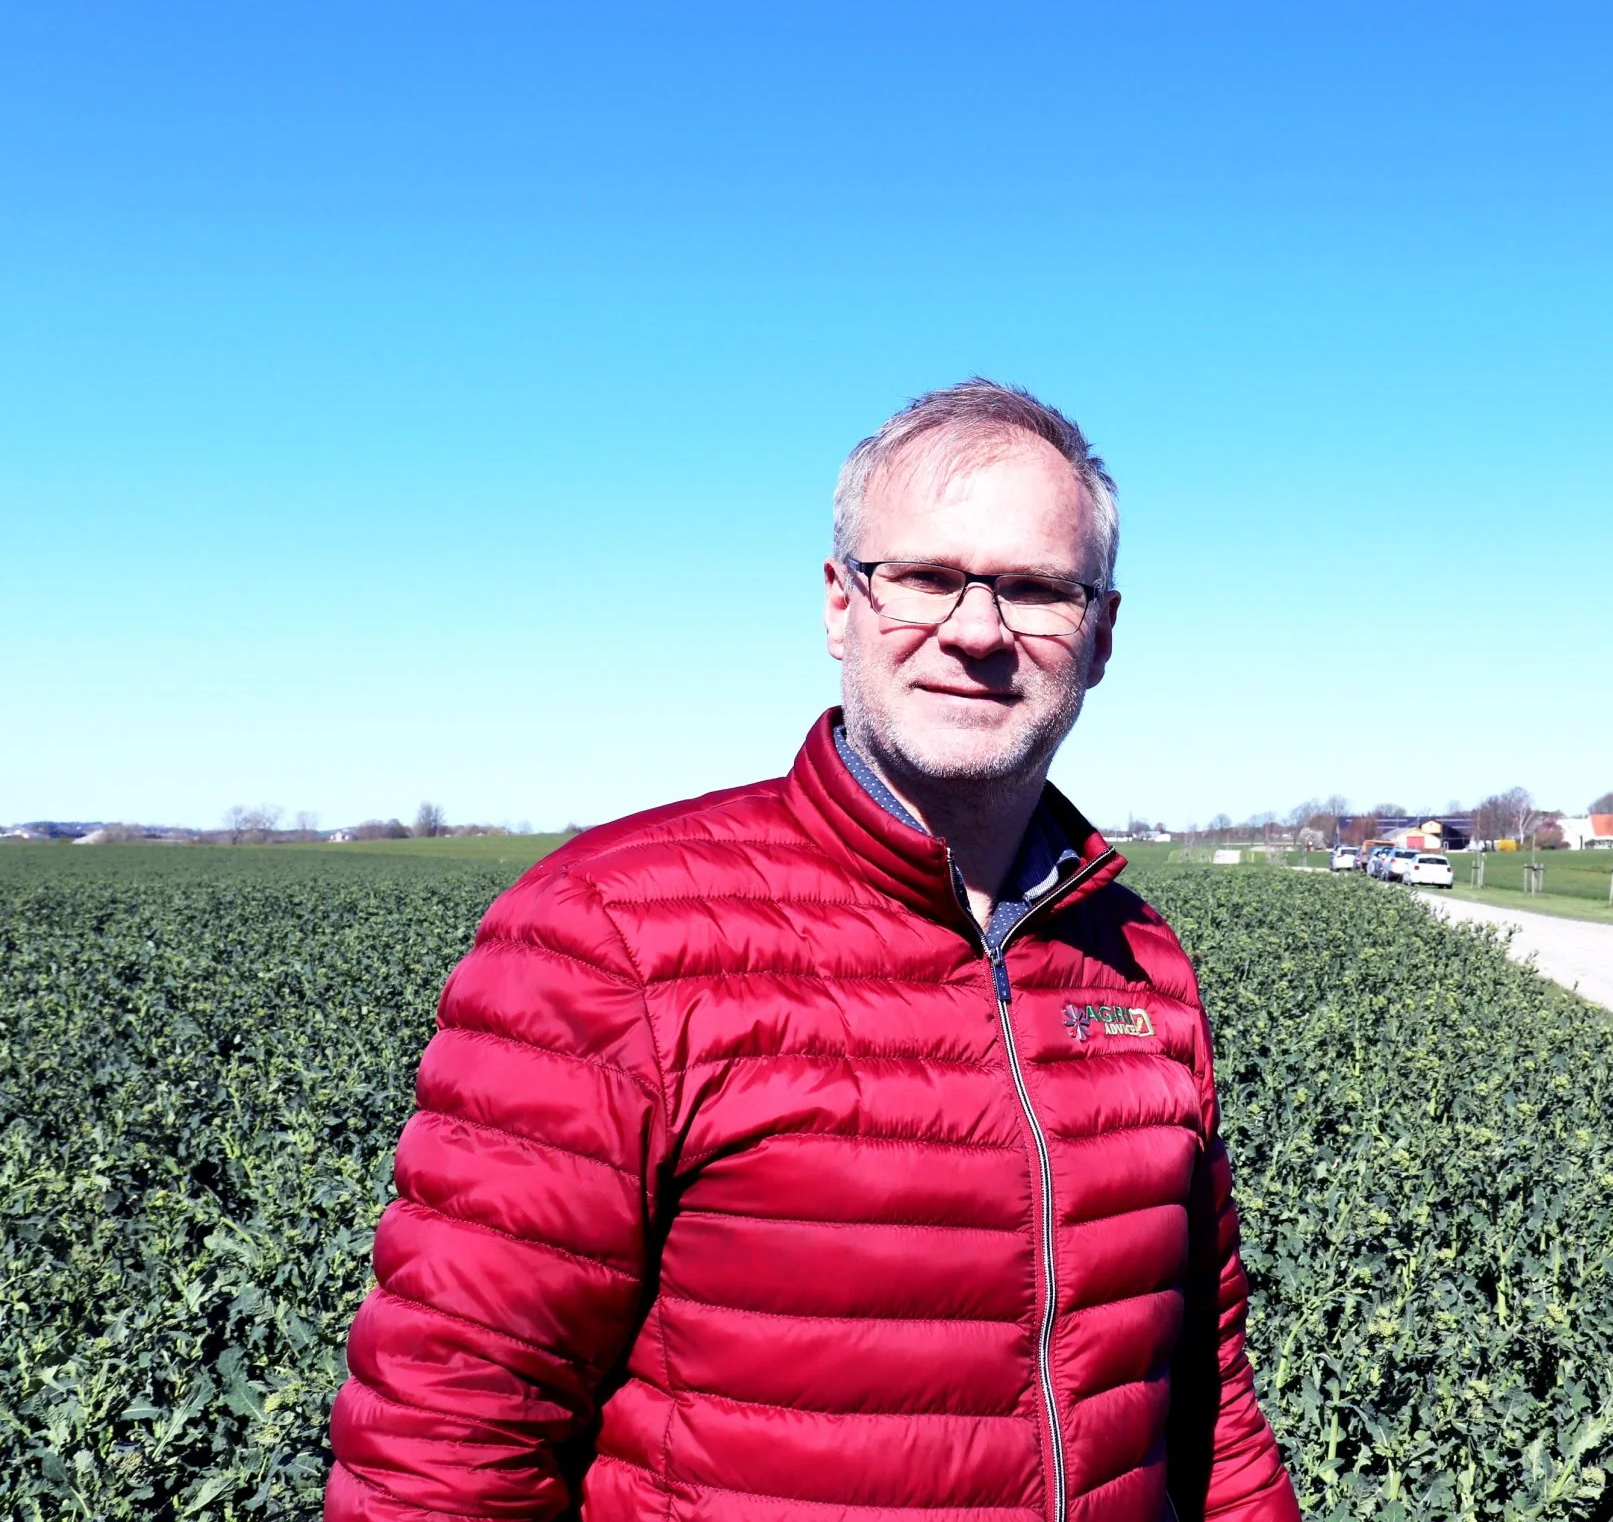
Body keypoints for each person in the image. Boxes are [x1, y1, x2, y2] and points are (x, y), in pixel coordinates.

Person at [328, 381, 1299, 1522]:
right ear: (839, 604)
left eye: (1036, 588)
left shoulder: (1136, 959)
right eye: (928, 577)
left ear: (1100, 637)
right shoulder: (612, 935)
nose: (978, 630)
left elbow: (1204, 1400)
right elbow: (445, 1442)